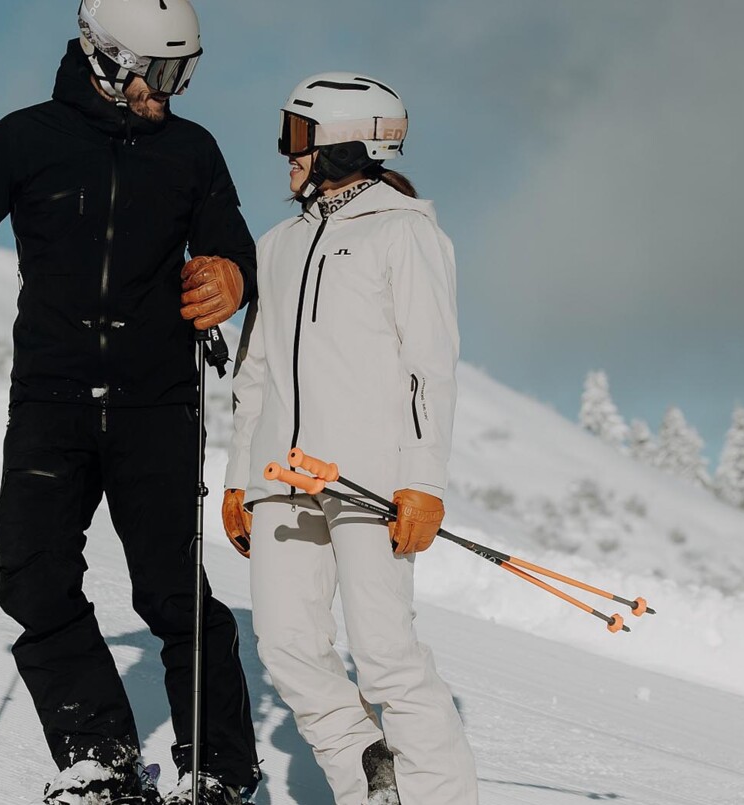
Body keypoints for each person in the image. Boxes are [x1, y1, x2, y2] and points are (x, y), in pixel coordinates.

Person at [0, 1, 260, 802]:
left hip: (156, 407)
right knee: (33, 585)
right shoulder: (28, 138)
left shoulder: (191, 152)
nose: (169, 91)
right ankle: (102, 760)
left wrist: (234, 275)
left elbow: (230, 242)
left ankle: (219, 774)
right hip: (51, 403)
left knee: (173, 596)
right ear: (104, 59)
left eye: (184, 72)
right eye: (158, 72)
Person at [221, 73, 479, 805]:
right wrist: (241, 475)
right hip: (279, 476)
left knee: (386, 653)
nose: (286, 154)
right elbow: (256, 370)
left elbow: (431, 366)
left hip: (368, 478)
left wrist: (422, 478)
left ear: (344, 142)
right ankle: (370, 775)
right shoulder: (277, 245)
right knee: (288, 646)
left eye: (298, 138)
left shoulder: (406, 232)